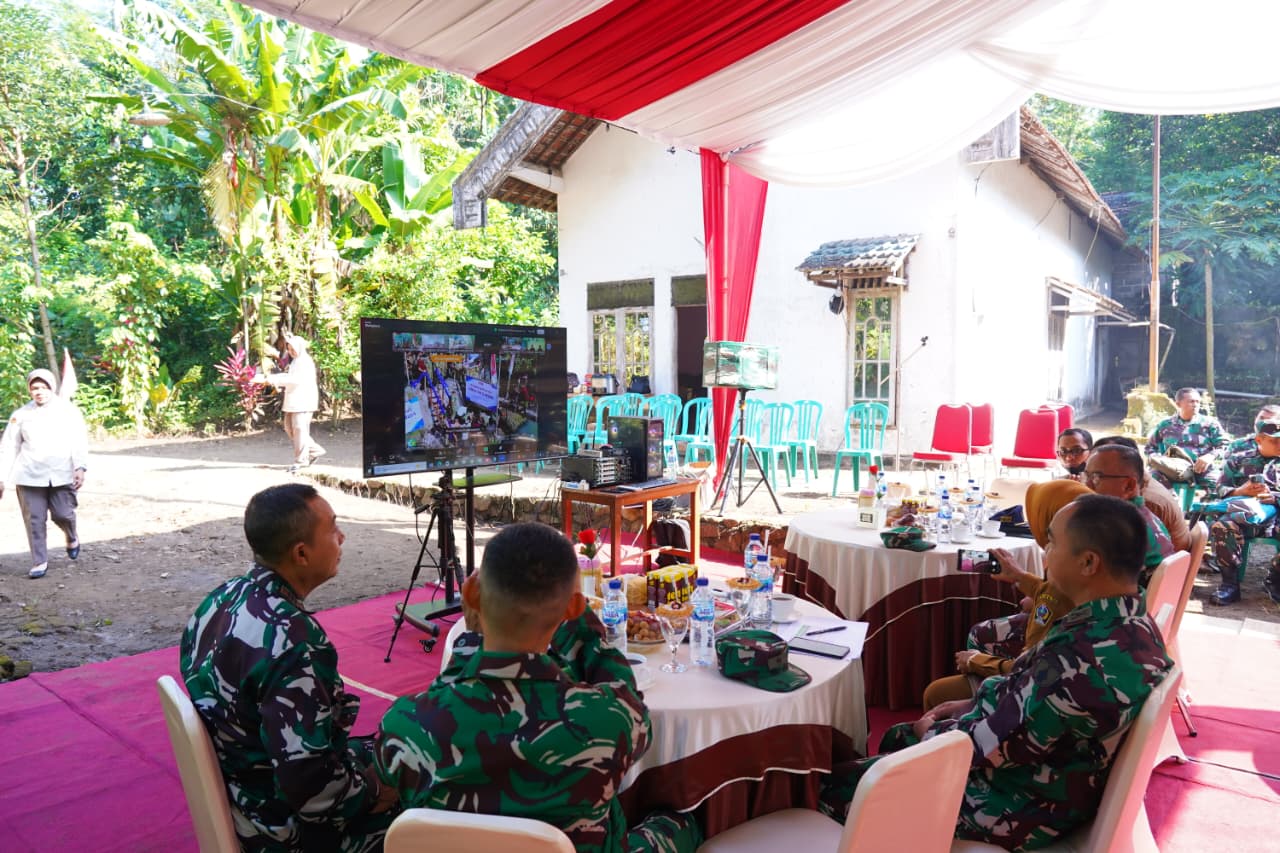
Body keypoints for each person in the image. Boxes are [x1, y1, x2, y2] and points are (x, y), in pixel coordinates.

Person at [820, 495, 1173, 849]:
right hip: (1051, 777)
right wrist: (974, 701)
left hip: (1015, 802)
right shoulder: (1132, 624)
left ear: (1088, 563)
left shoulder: (1078, 657)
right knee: (899, 738)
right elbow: (1030, 702)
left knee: (826, 785)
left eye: (1052, 541)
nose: (1045, 552)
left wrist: (932, 732)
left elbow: (988, 747)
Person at [374, 522, 702, 853]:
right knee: (680, 820)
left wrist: (473, 639)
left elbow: (446, 694)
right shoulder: (608, 722)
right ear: (571, 609)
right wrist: (586, 628)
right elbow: (626, 695)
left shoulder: (405, 725)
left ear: (473, 594)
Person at [181, 484, 398, 852]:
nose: (341, 537)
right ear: (301, 553)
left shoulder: (221, 599)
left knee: (393, 748)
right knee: (432, 794)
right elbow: (313, 792)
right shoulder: (296, 643)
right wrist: (380, 791)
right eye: (332, 528)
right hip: (282, 829)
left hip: (247, 787)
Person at [922, 479, 1089, 709]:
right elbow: (1051, 593)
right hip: (1047, 681)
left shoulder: (1057, 587)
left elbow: (1028, 667)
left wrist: (976, 661)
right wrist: (1020, 577)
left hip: (1027, 695)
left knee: (936, 694)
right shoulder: (1080, 572)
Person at [0, 368, 89, 579]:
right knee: (34, 520)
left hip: (61, 473)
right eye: (34, 388)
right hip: (29, 475)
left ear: (52, 387)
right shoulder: (21, 415)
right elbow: (9, 447)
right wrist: (1, 477)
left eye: (43, 387)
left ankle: (71, 535)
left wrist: (80, 467)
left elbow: (78, 440)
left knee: (63, 514)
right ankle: (39, 561)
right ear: (29, 390)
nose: (39, 391)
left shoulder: (68, 411)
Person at [1204, 405, 1280, 605]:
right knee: (1223, 526)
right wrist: (1239, 491)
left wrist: (1275, 498)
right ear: (1259, 440)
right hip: (1243, 514)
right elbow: (1217, 489)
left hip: (1277, 516)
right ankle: (1230, 584)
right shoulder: (1239, 460)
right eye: (1275, 441)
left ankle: (1275, 578)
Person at [1083, 443, 1174, 585]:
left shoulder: (1117, 526)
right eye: (1086, 476)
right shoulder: (1142, 514)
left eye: (1096, 477)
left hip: (1127, 603)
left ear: (1129, 486)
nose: (1086, 485)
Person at [1094, 435, 1193, 553]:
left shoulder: (1144, 503)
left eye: (1097, 474)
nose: (1089, 482)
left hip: (1159, 567)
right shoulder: (1140, 483)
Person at [260, 334, 325, 472]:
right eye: (289, 349)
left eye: (293, 348)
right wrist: (271, 378)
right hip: (294, 400)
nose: (291, 351)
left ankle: (301, 461)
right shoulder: (296, 361)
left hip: (303, 400)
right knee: (290, 428)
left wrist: (273, 380)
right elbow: (289, 377)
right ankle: (315, 450)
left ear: (300, 348)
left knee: (299, 429)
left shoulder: (304, 362)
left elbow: (294, 380)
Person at [1145, 387, 1230, 489]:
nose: (1195, 405)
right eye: (1191, 401)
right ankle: (1168, 504)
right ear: (1178, 404)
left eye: (1198, 402)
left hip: (1201, 469)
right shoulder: (1166, 425)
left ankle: (1205, 505)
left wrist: (1210, 456)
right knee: (1149, 482)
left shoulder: (1209, 424)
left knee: (1218, 486)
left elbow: (1226, 445)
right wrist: (1159, 460)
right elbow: (1149, 448)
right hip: (1173, 469)